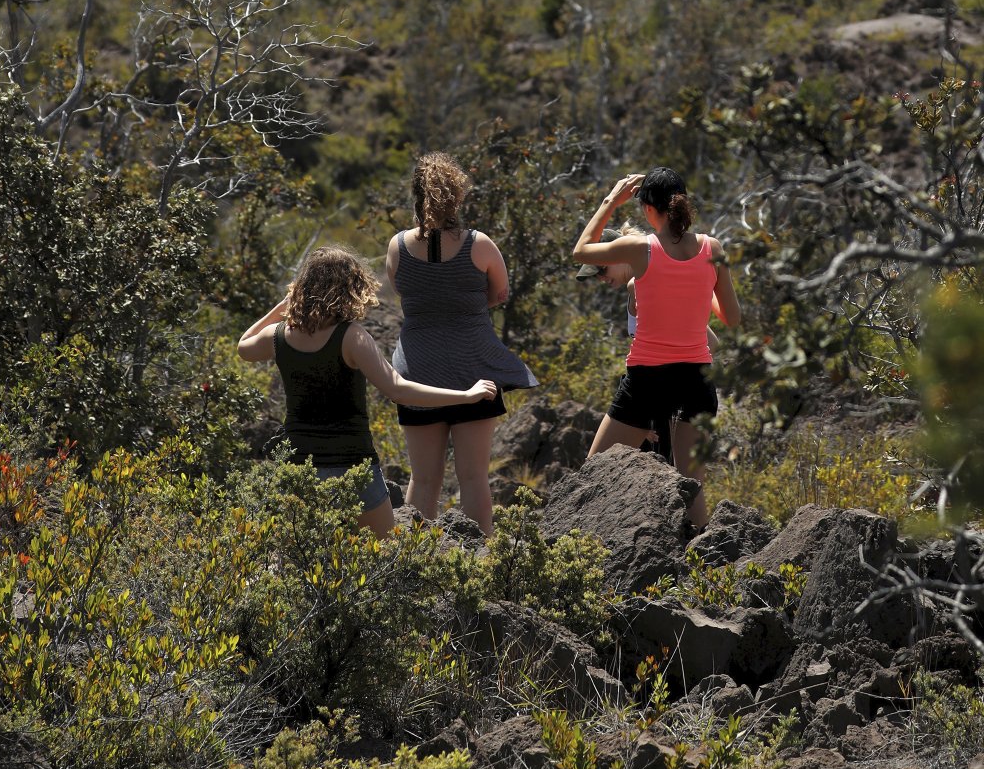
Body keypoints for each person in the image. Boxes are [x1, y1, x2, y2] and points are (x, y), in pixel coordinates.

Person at [237, 244, 497, 537]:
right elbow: (398, 390)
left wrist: (281, 309)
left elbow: (243, 346)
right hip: (354, 469)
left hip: (298, 469)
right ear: (352, 288)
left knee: (305, 563)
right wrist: (465, 396)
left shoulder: (278, 336)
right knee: (383, 561)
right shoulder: (351, 338)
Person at [572, 167, 740, 527]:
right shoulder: (713, 248)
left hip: (648, 381)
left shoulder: (640, 248)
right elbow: (732, 318)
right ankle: (702, 570)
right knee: (691, 488)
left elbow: (581, 251)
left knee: (593, 474)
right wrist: (697, 287)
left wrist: (611, 200)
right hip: (697, 379)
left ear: (648, 210)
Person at [386, 152, 537, 536]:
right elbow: (499, 292)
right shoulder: (479, 244)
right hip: (474, 366)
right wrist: (466, 307)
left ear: (417, 197)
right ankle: (482, 562)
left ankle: (413, 565)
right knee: (473, 479)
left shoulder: (397, 247)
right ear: (457, 198)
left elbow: (403, 294)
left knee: (423, 481)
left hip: (417, 372)